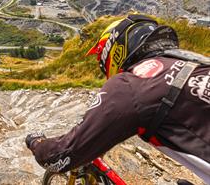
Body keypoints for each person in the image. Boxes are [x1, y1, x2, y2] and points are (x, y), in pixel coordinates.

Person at [25, 14, 210, 183]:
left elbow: (61, 156)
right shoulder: (196, 63)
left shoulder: (132, 84)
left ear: (114, 54)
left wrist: (36, 143)